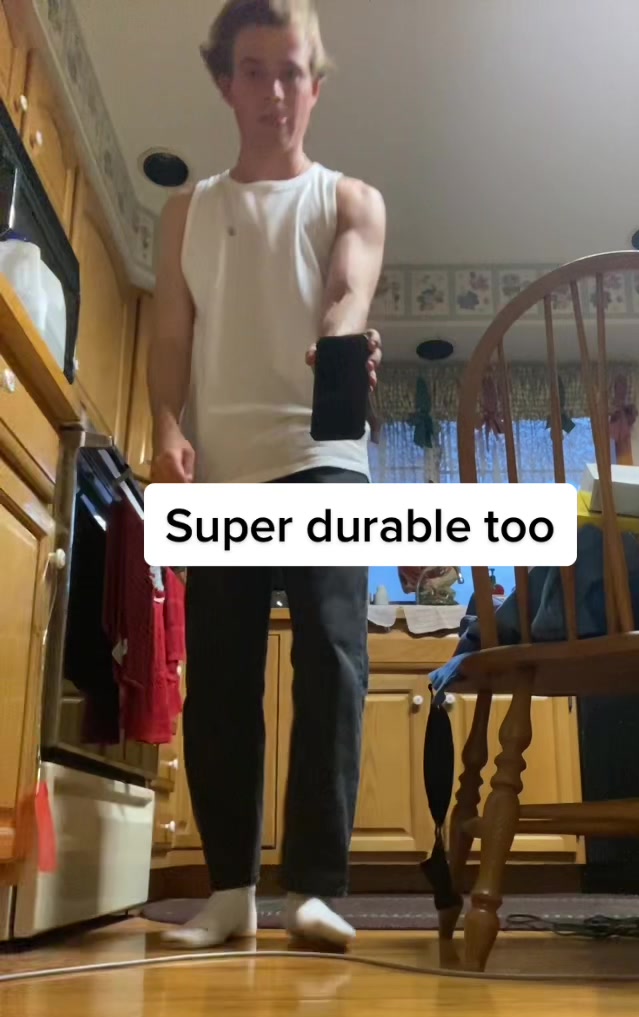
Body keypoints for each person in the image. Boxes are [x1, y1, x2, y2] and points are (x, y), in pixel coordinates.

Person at [148, 0, 386, 950]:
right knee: (220, 676)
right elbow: (172, 337)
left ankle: (315, 890)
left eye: (291, 72)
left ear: (314, 85)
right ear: (225, 82)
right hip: (224, 472)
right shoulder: (186, 213)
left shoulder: (350, 199)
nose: (275, 91)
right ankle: (230, 894)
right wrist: (167, 423)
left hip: (324, 458)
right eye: (255, 71)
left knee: (332, 656)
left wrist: (341, 343)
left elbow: (348, 289)